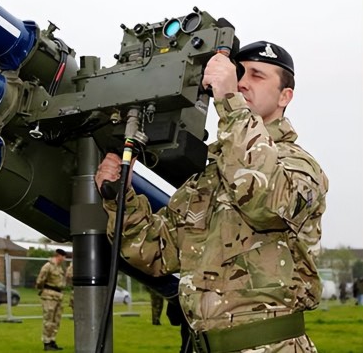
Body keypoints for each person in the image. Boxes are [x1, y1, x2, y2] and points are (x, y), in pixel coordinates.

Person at [95, 41, 329, 353]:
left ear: (285, 96)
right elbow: (153, 252)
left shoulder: (300, 166)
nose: (243, 82)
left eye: (257, 76)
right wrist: (120, 194)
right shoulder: (206, 181)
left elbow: (263, 202)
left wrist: (231, 100)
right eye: (239, 73)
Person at [35, 248, 67, 351]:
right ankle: (46, 342)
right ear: (59, 256)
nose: (64, 259)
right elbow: (40, 280)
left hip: (58, 295)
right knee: (48, 319)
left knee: (56, 320)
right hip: (49, 295)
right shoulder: (48, 266)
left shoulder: (59, 268)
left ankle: (52, 340)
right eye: (63, 257)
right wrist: (43, 290)